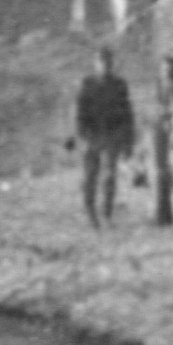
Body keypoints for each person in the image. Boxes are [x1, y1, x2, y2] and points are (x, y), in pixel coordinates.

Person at [72, 47, 137, 225]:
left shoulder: (119, 85)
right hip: (92, 135)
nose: (105, 66)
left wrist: (128, 142)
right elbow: (79, 113)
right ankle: (90, 212)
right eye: (101, 63)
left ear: (112, 64)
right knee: (90, 176)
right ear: (96, 64)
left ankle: (107, 213)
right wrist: (82, 136)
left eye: (108, 63)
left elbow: (127, 114)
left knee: (109, 176)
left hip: (112, 134)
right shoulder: (87, 83)